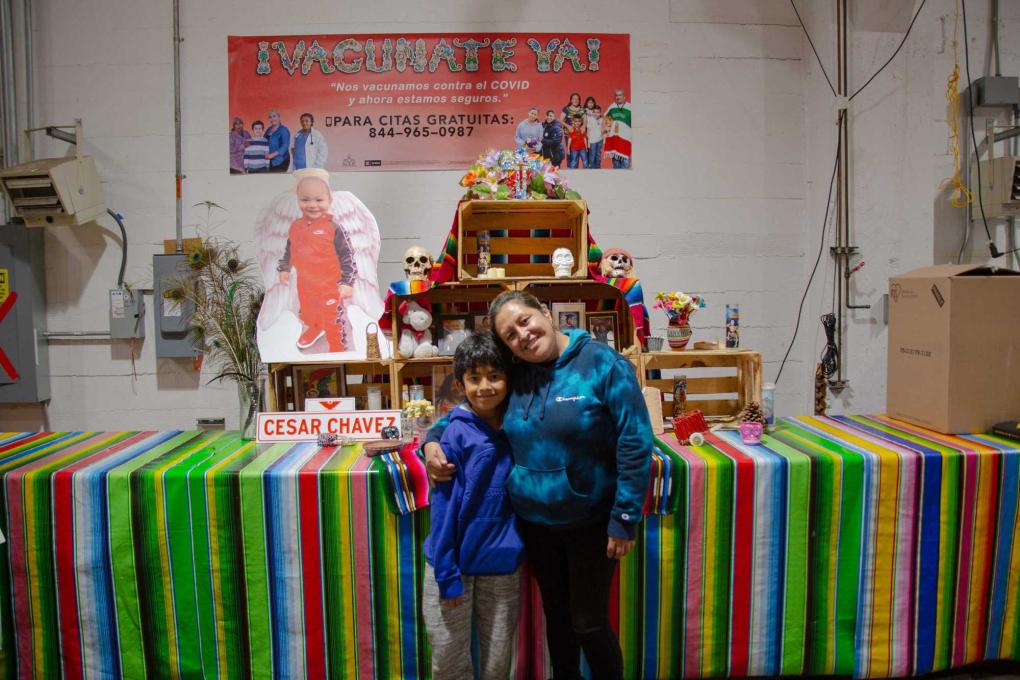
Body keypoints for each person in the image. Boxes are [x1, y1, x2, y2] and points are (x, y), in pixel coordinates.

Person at [424, 291, 653, 680]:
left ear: (545, 313)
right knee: (558, 619)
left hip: (590, 522)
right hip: (533, 523)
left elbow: (635, 441)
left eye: (525, 322)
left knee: (588, 622)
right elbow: (473, 408)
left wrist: (625, 516)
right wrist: (431, 438)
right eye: (510, 335)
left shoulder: (603, 365)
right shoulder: (520, 370)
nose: (523, 336)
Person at [423, 331, 523, 680]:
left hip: (502, 563)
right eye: (474, 378)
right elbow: (444, 509)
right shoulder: (454, 433)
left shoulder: (520, 425)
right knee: (449, 658)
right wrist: (447, 573)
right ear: (461, 383)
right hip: (454, 565)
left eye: (494, 376)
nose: (485, 387)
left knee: (498, 660)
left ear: (509, 378)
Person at [276, 168, 357, 352]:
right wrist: (284, 268)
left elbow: (347, 256)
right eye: (305, 200)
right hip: (306, 284)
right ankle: (314, 328)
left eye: (319, 200)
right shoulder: (296, 227)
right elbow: (289, 249)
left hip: (330, 285)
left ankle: (337, 345)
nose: (312, 205)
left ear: (329, 201)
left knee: (331, 316)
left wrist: (347, 282)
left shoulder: (333, 228)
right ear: (298, 201)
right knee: (308, 313)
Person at [604, 88, 632, 169]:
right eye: (616, 95)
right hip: (614, 139)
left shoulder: (630, 107)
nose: (617, 97)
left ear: (624, 97)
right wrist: (608, 127)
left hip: (625, 139)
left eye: (620, 95)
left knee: (625, 164)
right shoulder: (612, 107)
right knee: (616, 165)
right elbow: (606, 118)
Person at [265, 108, 291, 173]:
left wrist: (272, 155)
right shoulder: (268, 129)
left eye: (274, 116)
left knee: (278, 180)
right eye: (270, 117)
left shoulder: (283, 130)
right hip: (270, 161)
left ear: (279, 117)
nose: (272, 119)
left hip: (281, 161)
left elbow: (285, 146)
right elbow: (264, 141)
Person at [585, 104, 604, 169]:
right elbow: (588, 131)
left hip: (600, 140)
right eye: (595, 112)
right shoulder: (590, 119)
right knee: (592, 155)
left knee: (598, 155)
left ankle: (598, 168)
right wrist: (588, 142)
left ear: (600, 112)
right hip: (592, 141)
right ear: (592, 112)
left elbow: (602, 129)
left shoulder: (601, 120)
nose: (596, 114)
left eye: (598, 112)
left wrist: (603, 139)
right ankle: (592, 168)